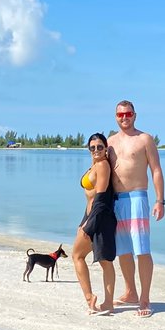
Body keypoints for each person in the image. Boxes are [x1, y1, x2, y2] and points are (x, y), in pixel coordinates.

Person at [107, 100, 165, 317]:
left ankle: (144, 298)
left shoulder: (144, 139)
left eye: (128, 114)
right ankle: (130, 291)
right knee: (123, 250)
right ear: (115, 116)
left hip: (137, 198)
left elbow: (156, 170)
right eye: (120, 114)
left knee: (141, 250)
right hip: (117, 201)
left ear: (135, 115)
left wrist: (160, 200)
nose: (124, 117)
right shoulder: (110, 142)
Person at [71, 133, 117, 315]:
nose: (96, 150)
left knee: (79, 256)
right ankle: (99, 301)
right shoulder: (94, 165)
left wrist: (88, 225)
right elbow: (89, 201)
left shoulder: (103, 165)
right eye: (92, 147)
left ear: (105, 148)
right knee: (95, 259)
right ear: (88, 149)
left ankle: (98, 300)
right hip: (92, 217)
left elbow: (100, 197)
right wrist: (83, 221)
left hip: (100, 217)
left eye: (100, 147)